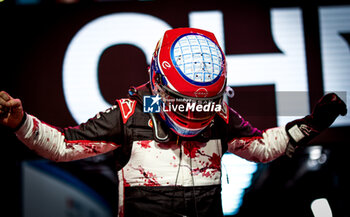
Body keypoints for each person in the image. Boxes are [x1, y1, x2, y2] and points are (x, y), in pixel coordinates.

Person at [0, 27, 347, 217]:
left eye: (206, 103)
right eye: (184, 101)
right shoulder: (128, 115)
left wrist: (312, 124)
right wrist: (20, 122)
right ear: (156, 82)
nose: (196, 113)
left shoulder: (221, 116)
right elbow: (62, 146)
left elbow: (262, 148)